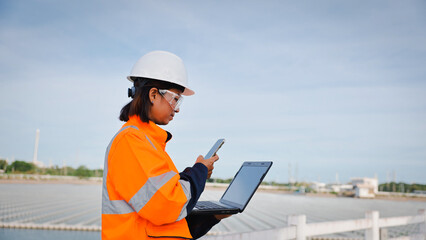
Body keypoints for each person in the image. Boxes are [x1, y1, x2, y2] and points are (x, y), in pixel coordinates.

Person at [102, 50, 228, 240]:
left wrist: (212, 216)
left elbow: (161, 205)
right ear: (153, 95)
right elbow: (167, 204)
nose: (177, 109)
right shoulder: (131, 141)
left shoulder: (146, 141)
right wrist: (199, 172)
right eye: (175, 99)